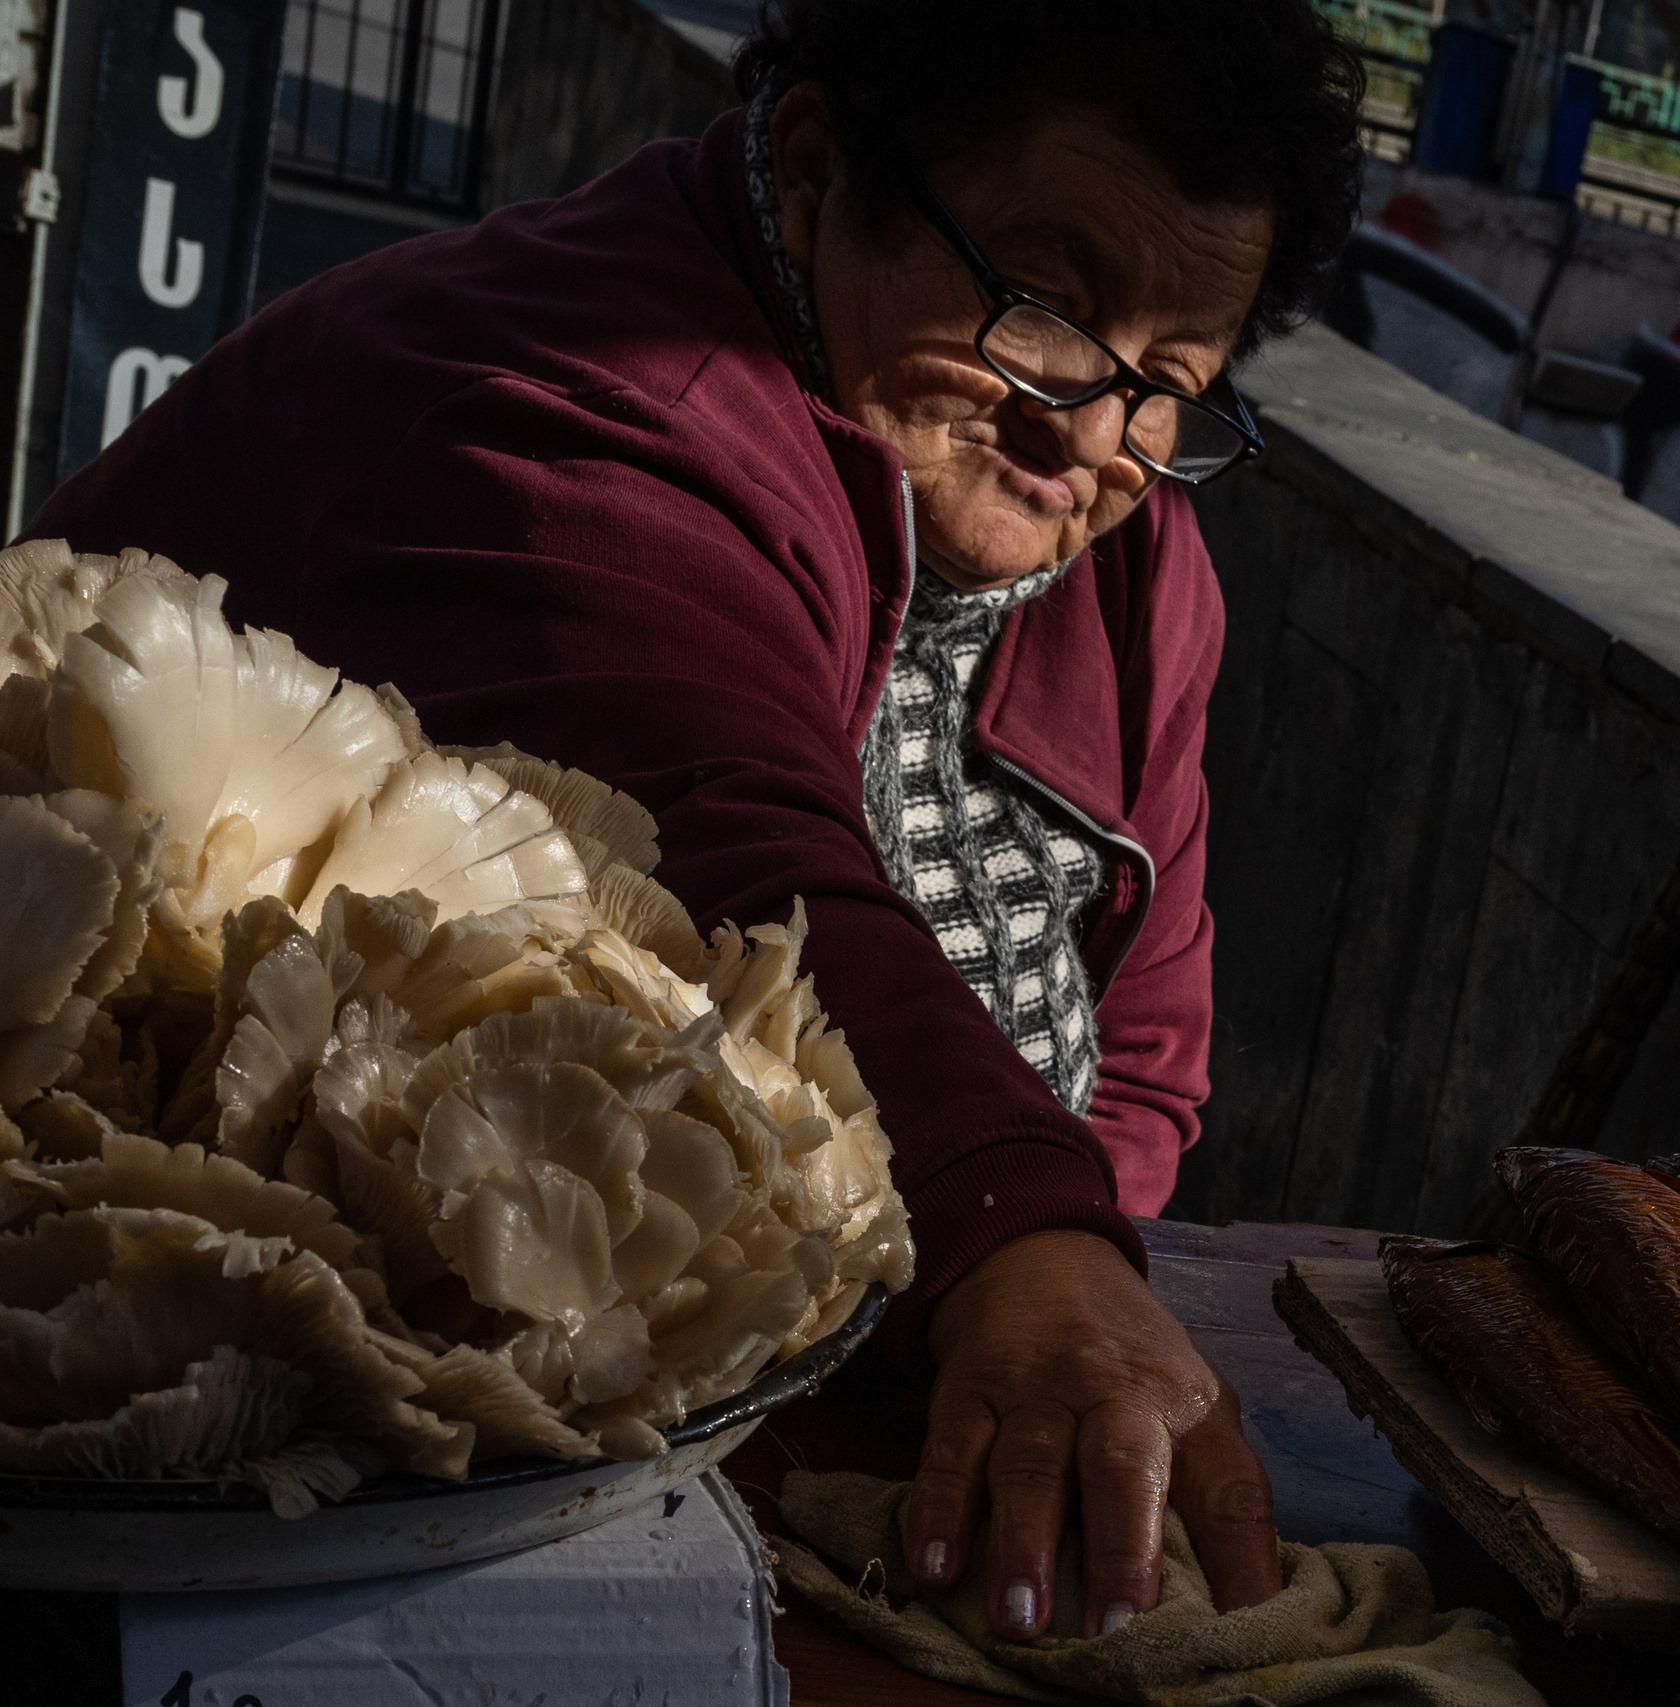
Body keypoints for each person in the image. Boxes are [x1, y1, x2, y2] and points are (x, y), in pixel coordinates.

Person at [28, 0, 1364, 1646]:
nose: (1087, 430)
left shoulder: (1142, 566)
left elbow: (1144, 1042)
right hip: (200, 1474)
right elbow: (745, 894)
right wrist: (1025, 1248)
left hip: (771, 1396)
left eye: (1171, 379)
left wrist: (1056, 1315)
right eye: (1043, 304)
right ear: (817, 167)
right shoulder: (586, 408)